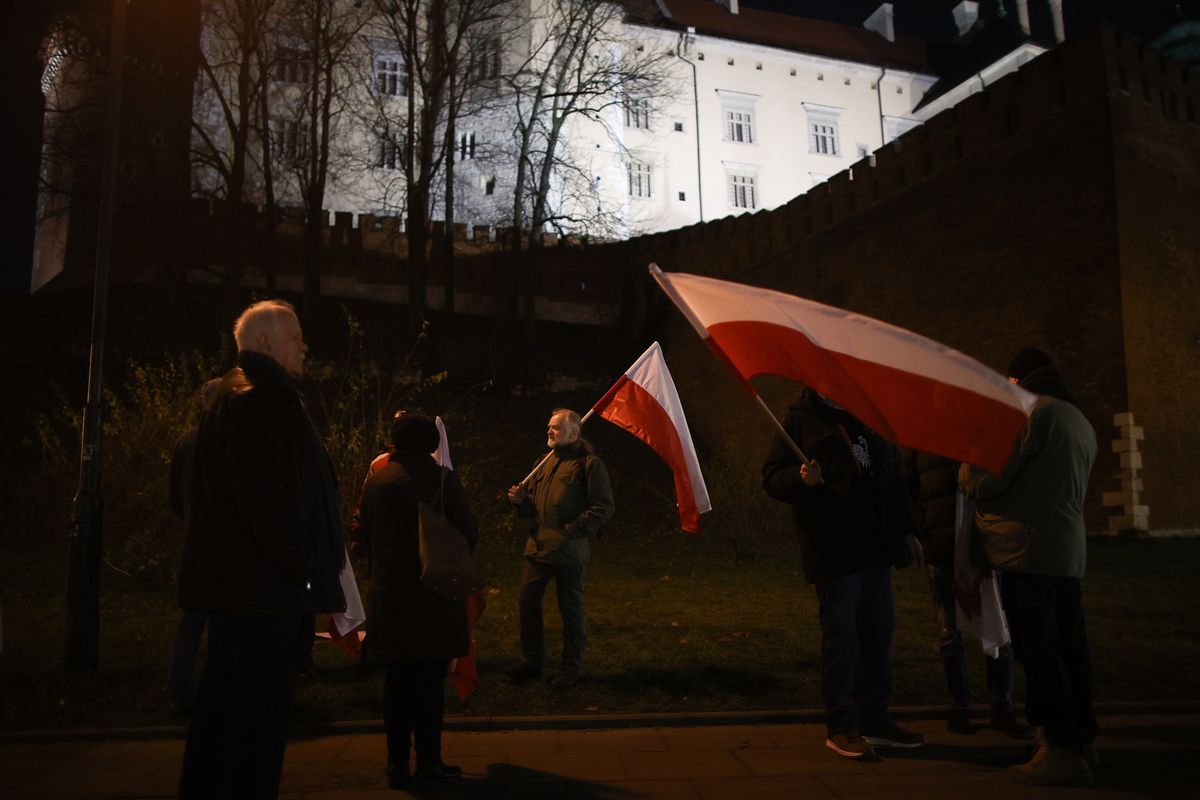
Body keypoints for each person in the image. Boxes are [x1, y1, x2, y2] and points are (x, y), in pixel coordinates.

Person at [177, 299, 346, 799]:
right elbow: (268, 505)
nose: (305, 346)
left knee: (224, 714)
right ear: (267, 344)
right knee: (254, 723)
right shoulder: (260, 402)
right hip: (262, 593)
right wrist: (304, 569)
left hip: (241, 588)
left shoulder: (232, 397)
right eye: (296, 337)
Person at [959, 347, 1098, 786]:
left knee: (1040, 652)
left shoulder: (1032, 416)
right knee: (1071, 649)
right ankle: (1078, 737)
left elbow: (985, 480)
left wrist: (970, 456)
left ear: (1019, 381)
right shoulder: (1079, 419)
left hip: (1027, 550)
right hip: (1066, 551)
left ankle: (1059, 747)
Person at [762, 389, 924, 760]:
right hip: (835, 550)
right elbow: (772, 476)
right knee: (842, 637)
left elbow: (891, 479)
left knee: (879, 633)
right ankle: (841, 726)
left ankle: (875, 720)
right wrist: (801, 479)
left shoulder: (867, 416)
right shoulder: (800, 422)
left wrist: (907, 528)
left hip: (875, 549)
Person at [357, 409, 478, 789]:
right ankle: (429, 762)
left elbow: (362, 536)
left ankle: (396, 765)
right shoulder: (442, 480)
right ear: (430, 443)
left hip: (391, 597)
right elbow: (468, 532)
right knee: (428, 685)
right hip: (434, 597)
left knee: (397, 685)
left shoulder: (378, 482)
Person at [909, 450, 1025, 737]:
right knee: (950, 633)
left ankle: (1001, 707)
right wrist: (921, 530)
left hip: (983, 549)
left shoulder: (977, 441)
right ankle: (959, 707)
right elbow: (910, 489)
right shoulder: (921, 445)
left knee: (998, 629)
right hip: (942, 547)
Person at [505, 408, 614, 688]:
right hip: (537, 548)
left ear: (574, 432)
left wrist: (571, 532)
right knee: (527, 604)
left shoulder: (589, 465)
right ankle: (532, 662)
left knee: (571, 610)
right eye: (549, 427)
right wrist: (520, 502)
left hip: (568, 552)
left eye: (555, 427)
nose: (549, 431)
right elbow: (534, 508)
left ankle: (570, 669)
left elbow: (602, 508)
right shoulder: (544, 462)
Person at [165, 378, 219, 714]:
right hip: (223, 541)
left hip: (194, 539)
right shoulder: (226, 441)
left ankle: (180, 686)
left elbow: (173, 495)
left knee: (193, 619)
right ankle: (217, 689)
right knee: (225, 620)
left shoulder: (185, 441)